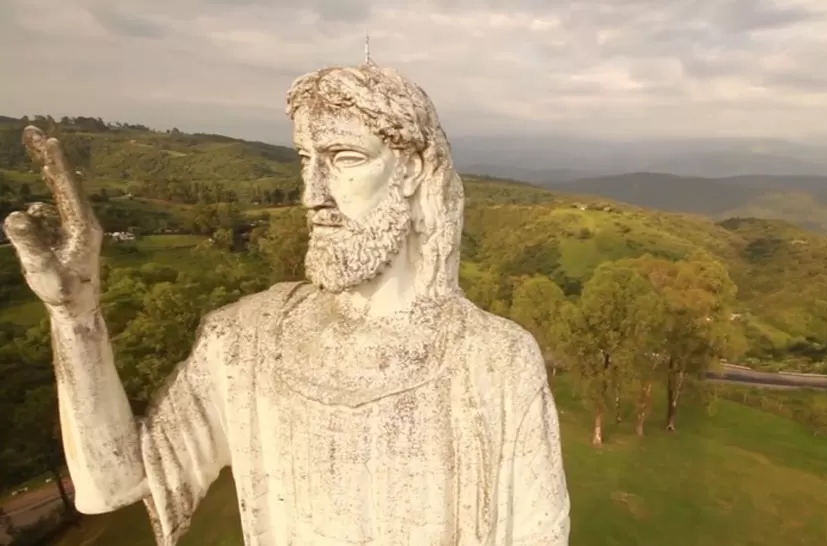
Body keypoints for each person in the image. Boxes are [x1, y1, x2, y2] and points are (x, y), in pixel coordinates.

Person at [3, 62, 570, 546]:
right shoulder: (245, 340)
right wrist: (75, 319)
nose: (312, 194)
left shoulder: (496, 363)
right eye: (304, 159)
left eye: (344, 157)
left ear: (414, 170)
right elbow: (113, 483)